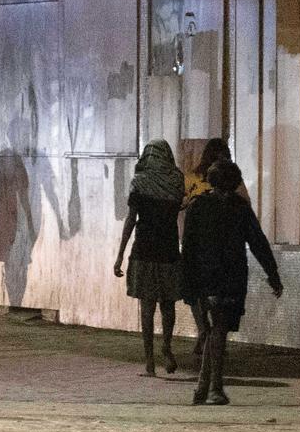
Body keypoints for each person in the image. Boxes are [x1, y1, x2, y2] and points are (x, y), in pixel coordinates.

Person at [181, 159, 282, 405]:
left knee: (214, 330)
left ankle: (204, 388)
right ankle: (212, 388)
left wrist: (188, 284)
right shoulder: (240, 208)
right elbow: (258, 242)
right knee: (219, 330)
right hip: (231, 278)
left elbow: (189, 249)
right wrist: (272, 274)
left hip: (206, 278)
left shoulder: (198, 206)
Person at [114, 139, 185, 377]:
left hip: (144, 251)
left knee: (146, 308)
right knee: (168, 305)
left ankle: (149, 361)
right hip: (168, 251)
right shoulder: (176, 181)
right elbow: (176, 208)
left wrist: (120, 255)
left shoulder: (140, 182)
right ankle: (166, 346)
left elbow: (130, 221)